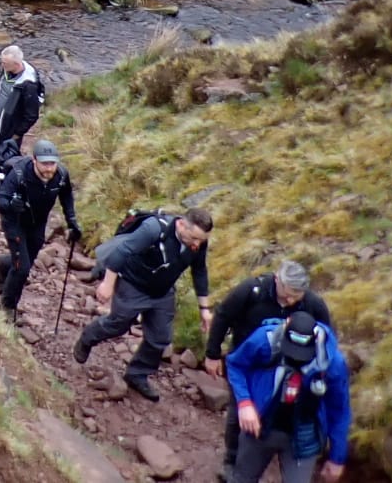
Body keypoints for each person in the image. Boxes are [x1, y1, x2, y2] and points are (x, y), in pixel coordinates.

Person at [208, 262, 335, 480]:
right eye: (287, 294)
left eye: (297, 296)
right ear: (277, 280)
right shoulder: (251, 291)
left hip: (291, 368)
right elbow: (223, 316)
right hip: (247, 362)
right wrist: (212, 353)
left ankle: (277, 455)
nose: (291, 301)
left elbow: (327, 340)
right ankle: (233, 461)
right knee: (239, 413)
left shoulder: (313, 305)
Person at [74, 206, 215, 402]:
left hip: (162, 292)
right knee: (118, 324)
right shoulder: (153, 229)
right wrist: (107, 284)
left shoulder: (198, 242)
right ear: (181, 224)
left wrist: (204, 309)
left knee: (160, 337)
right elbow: (122, 251)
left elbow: (199, 271)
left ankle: (137, 374)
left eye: (201, 240)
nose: (197, 243)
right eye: (194, 238)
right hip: (133, 283)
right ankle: (88, 338)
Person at [225, 310, 350, 483]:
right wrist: (245, 403)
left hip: (304, 436)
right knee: (241, 479)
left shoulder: (332, 363)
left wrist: (337, 457)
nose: (296, 358)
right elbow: (236, 365)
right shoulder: (265, 340)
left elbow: (339, 410)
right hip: (260, 426)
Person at [0, 140, 82, 316]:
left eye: (52, 163)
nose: (49, 168)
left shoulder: (61, 175)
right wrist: (11, 205)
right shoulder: (19, 174)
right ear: (34, 160)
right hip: (15, 222)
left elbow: (66, 196)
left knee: (24, 261)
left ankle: (4, 264)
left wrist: (71, 221)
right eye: (44, 163)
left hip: (38, 224)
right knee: (22, 268)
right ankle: (7, 308)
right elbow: (0, 200)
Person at [0, 44, 45, 201]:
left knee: (6, 159)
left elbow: (31, 115)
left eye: (5, 63)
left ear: (16, 64)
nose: (2, 65)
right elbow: (0, 90)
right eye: (2, 62)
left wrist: (17, 133)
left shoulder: (29, 84)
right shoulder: (8, 69)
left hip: (11, 129)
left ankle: (6, 190)